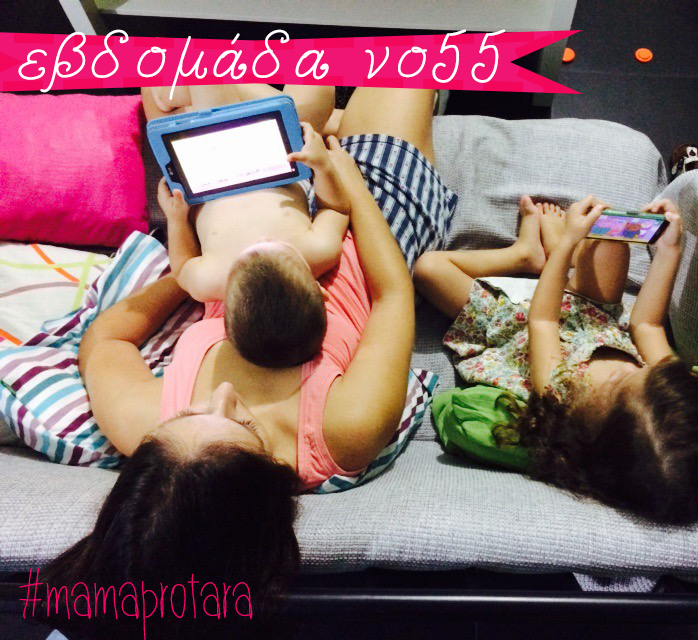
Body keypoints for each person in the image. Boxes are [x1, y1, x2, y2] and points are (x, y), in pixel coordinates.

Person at [40, 86, 457, 639]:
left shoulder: (142, 423)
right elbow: (392, 296)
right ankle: (339, 122)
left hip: (249, 234)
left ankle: (323, 116)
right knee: (400, 70)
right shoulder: (345, 427)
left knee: (171, 89)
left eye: (189, 414)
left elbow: (105, 341)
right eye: (243, 424)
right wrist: (350, 185)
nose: (221, 395)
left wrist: (197, 274)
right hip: (365, 235)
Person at [414, 195, 698, 525]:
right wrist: (669, 251)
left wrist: (568, 243)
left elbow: (543, 321)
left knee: (429, 269)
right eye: (643, 371)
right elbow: (647, 325)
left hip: (515, 323)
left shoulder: (560, 395)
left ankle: (525, 255)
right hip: (591, 312)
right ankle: (559, 259)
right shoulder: (669, 391)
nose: (624, 368)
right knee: (610, 240)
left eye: (618, 381)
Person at [147, 84, 351, 368]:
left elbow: (182, 269)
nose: (260, 244)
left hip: (210, 171)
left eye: (245, 260)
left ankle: (183, 93)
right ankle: (182, 94)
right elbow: (336, 208)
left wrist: (176, 219)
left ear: (226, 303)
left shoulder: (209, 281)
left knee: (206, 87)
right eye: (277, 251)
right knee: (319, 91)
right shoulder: (320, 250)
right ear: (320, 290)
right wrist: (323, 166)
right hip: (275, 161)